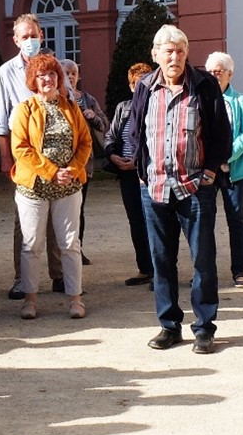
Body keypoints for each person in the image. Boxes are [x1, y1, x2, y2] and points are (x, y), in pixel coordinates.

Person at [127, 25, 232, 354]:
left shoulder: (204, 85)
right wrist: (142, 171)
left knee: (203, 261)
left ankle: (204, 328)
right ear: (155, 54)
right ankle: (168, 326)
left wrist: (210, 173)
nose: (174, 57)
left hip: (195, 188)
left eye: (180, 51)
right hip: (155, 188)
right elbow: (134, 131)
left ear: (187, 54)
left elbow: (221, 135)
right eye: (168, 51)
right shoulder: (145, 86)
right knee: (161, 261)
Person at [10, 54, 93, 321]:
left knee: (70, 243)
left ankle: (75, 298)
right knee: (31, 244)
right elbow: (20, 148)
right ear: (33, 80)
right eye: (42, 75)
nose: (48, 79)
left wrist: (73, 169)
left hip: (68, 188)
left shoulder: (71, 107)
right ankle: (30, 299)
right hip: (33, 189)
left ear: (60, 79)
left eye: (53, 75)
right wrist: (51, 171)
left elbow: (85, 143)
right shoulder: (25, 109)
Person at [0, 14, 65, 298]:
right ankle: (21, 278)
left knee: (57, 216)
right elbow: (1, 120)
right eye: (24, 37)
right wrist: (5, 158)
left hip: (56, 150)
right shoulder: (6, 72)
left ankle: (59, 275)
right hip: (23, 152)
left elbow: (68, 105)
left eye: (33, 35)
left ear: (41, 35)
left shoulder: (53, 66)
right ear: (15, 40)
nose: (30, 41)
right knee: (24, 218)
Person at [204, 52, 243, 288]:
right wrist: (212, 161)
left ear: (229, 74)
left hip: (235, 170)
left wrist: (225, 156)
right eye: (211, 72)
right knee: (204, 221)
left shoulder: (242, 100)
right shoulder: (201, 99)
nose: (214, 76)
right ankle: (206, 272)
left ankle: (239, 271)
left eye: (219, 72)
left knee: (236, 219)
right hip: (208, 171)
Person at [104, 63, 155, 287]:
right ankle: (145, 269)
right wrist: (113, 156)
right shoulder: (123, 108)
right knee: (136, 221)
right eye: (137, 83)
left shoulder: (157, 106)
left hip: (149, 173)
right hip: (126, 174)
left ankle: (160, 271)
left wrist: (139, 160)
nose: (142, 86)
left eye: (147, 81)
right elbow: (110, 136)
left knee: (154, 222)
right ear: (131, 86)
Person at [60, 58, 107, 266]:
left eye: (73, 73)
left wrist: (93, 117)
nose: (70, 76)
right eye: (66, 73)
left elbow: (104, 124)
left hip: (84, 164)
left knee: (79, 208)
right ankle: (62, 251)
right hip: (61, 165)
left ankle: (77, 248)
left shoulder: (88, 99)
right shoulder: (57, 99)